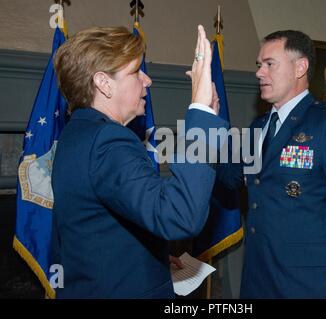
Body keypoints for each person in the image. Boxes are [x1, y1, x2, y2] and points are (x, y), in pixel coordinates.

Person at [51, 25, 227, 298]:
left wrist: (150, 263)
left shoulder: (76, 133)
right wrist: (201, 111)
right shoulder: (107, 140)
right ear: (103, 83)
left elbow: (96, 227)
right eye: (135, 71)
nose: (147, 80)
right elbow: (181, 215)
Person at [217, 30, 326, 298]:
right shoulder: (258, 128)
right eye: (259, 65)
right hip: (258, 282)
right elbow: (229, 178)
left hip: (308, 286)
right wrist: (208, 123)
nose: (259, 73)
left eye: (270, 64)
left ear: (300, 67)